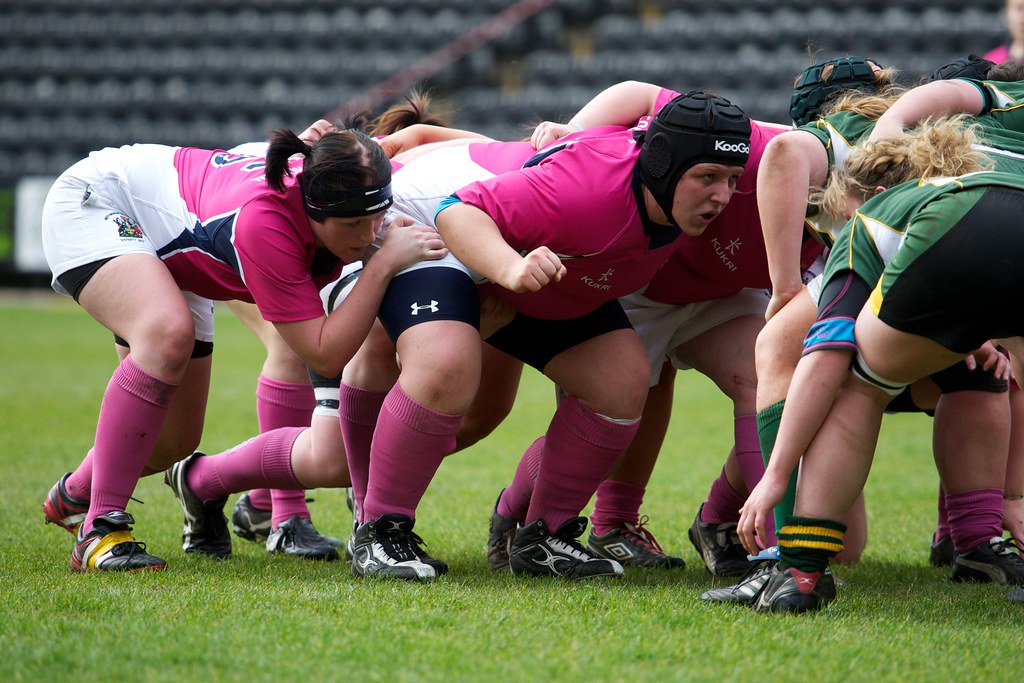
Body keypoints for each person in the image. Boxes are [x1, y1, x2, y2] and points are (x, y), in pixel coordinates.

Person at [336, 90, 752, 581]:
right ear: (662, 164)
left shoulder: (675, 193)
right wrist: (510, 270)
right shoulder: (588, 186)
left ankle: (544, 537)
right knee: (445, 365)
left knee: (621, 380)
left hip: (519, 251)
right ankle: (379, 530)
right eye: (707, 177)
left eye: (732, 179)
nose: (723, 196)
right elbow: (458, 211)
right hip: (433, 225)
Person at [39, 117, 446, 571]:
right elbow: (325, 353)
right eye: (353, 223)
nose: (370, 234)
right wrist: (383, 264)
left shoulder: (341, 181)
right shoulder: (265, 222)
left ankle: (75, 495)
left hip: (173, 238)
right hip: (101, 200)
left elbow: (413, 150)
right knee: (166, 332)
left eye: (376, 217)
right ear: (314, 210)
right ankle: (100, 529)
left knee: (172, 442)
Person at [701, 54, 1018, 606]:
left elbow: (785, 151)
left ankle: (792, 563)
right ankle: (976, 538)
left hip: (941, 253)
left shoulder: (858, 181)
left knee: (824, 367)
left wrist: (783, 287)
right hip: (966, 266)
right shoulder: (974, 142)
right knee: (990, 372)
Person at [515, 81, 824, 575]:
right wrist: (577, 129)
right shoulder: (765, 147)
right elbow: (641, 94)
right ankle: (519, 512)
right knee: (610, 416)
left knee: (763, 375)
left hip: (722, 295)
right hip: (640, 286)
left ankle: (761, 543)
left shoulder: (875, 197)